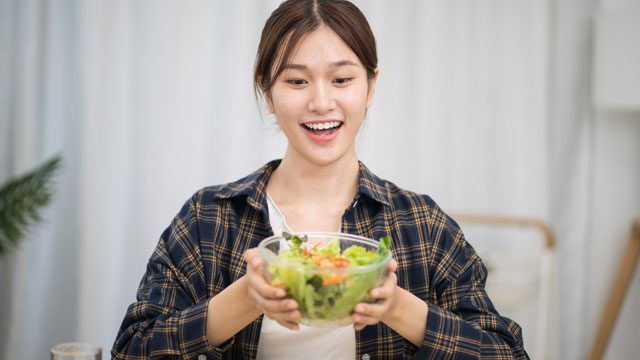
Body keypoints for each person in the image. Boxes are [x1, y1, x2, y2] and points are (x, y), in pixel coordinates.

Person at [112, 0, 529, 359]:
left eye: (342, 79)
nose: (321, 102)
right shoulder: (209, 218)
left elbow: (507, 353)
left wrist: (397, 306)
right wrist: (244, 299)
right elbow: (131, 349)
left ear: (370, 86)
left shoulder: (422, 223)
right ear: (267, 91)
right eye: (296, 81)